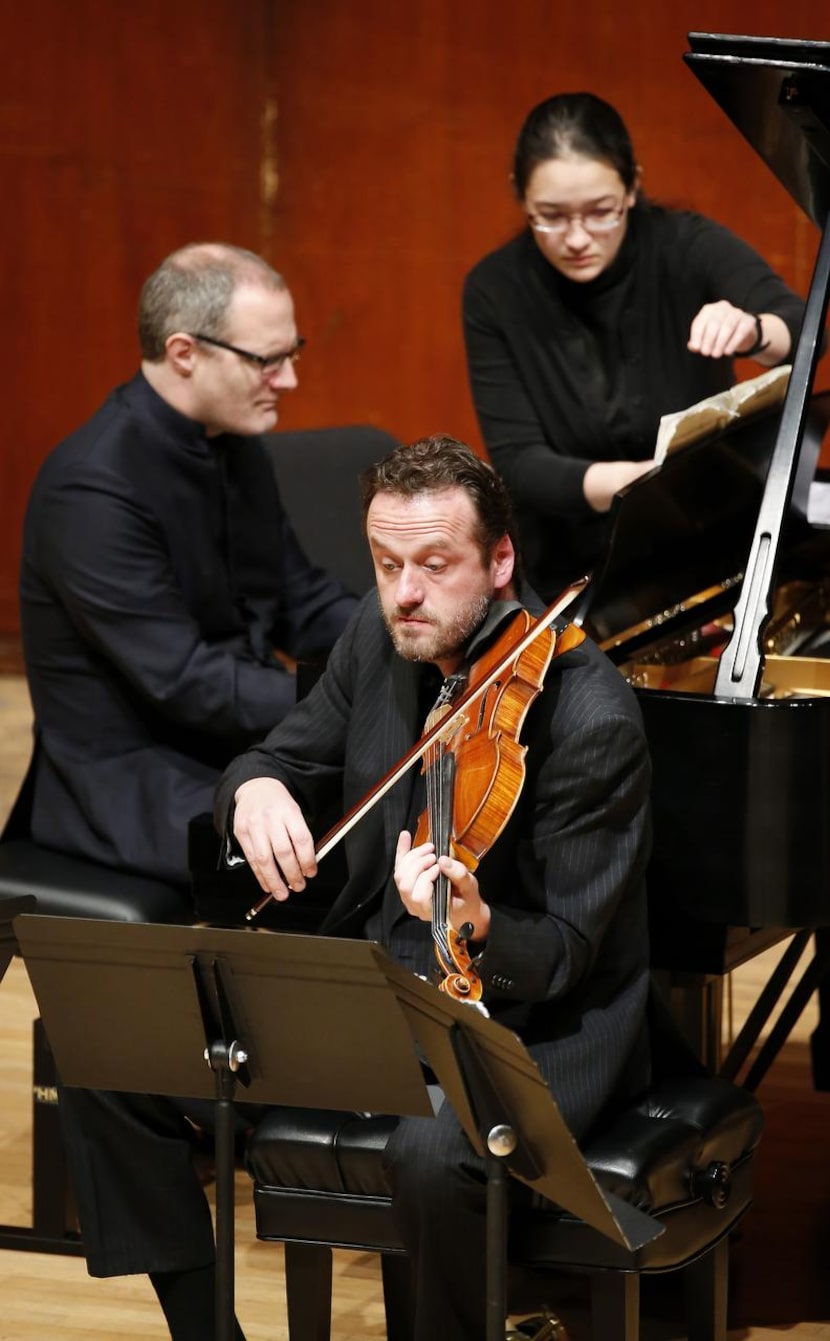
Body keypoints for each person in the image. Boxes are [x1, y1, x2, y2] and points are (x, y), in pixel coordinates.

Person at [214, 435, 653, 1339]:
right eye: (386, 563)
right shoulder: (379, 641)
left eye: (433, 565)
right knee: (132, 1063)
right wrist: (252, 787)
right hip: (381, 987)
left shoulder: (589, 715)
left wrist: (480, 921)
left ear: (500, 562)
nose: (404, 593)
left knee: (429, 1149)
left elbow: (569, 951)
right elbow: (278, 754)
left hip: (533, 1021)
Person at [19, 242, 358, 886]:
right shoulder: (92, 487)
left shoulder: (231, 443)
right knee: (348, 858)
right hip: (134, 780)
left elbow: (301, 599)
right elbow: (182, 681)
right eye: (267, 360)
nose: (289, 379)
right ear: (184, 353)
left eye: (293, 353)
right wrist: (350, 696)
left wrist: (405, 644)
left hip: (234, 741)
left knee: (416, 811)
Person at [462, 91, 809, 600]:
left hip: (709, 541)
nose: (577, 238)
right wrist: (647, 485)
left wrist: (754, 330)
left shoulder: (683, 245)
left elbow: (800, 328)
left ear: (632, 188)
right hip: (569, 565)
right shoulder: (494, 289)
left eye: (601, 211)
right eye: (551, 216)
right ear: (520, 196)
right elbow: (520, 463)